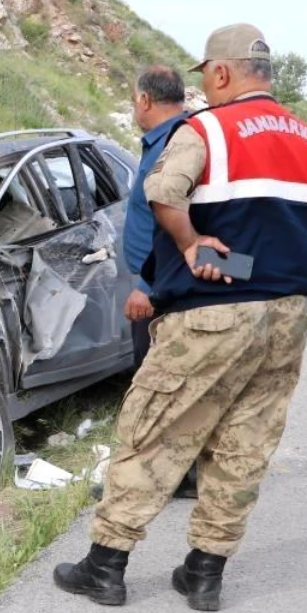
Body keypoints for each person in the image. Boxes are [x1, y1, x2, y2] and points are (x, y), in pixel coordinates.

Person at [53, 24, 307, 611]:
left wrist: (189, 245)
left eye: (205, 72)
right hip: (287, 317)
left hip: (213, 314)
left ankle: (105, 565)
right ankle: (205, 573)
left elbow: (163, 192)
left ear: (224, 72)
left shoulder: (206, 128)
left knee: (151, 430)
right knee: (245, 445)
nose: (203, 84)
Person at [123, 65, 198, 500]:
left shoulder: (174, 142)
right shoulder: (169, 139)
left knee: (156, 384)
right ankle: (180, 475)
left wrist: (147, 285)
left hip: (162, 284)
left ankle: (160, 479)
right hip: (162, 279)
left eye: (135, 99)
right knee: (168, 382)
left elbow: (167, 216)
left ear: (145, 101)